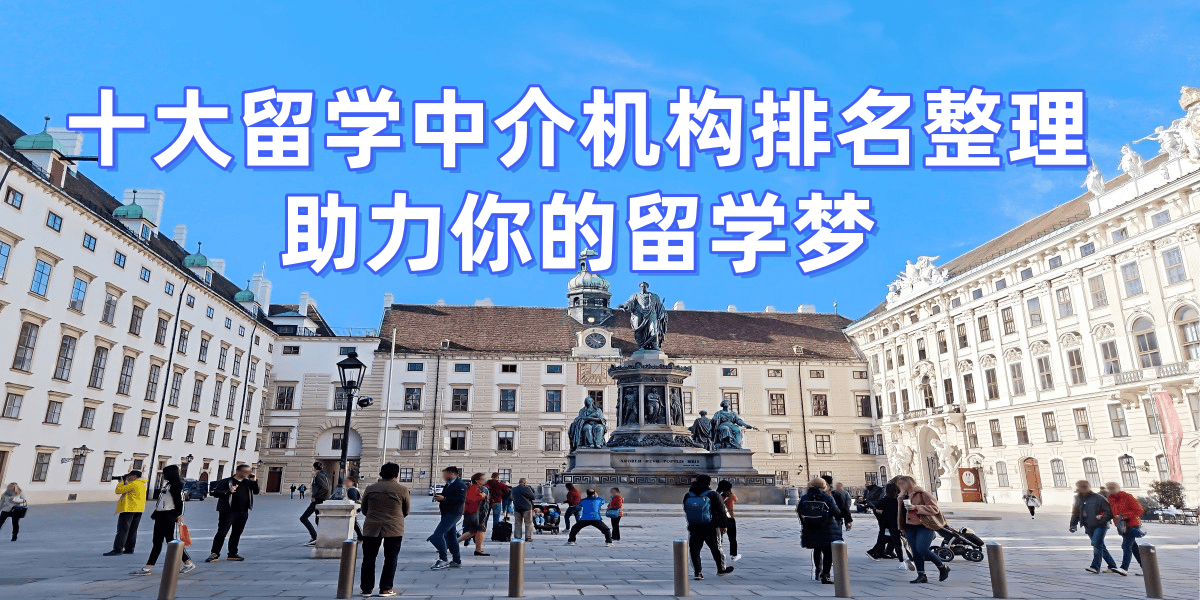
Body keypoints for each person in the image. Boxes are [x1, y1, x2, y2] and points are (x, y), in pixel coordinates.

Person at [132, 465, 197, 576]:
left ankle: (188, 563)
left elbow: (179, 502)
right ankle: (148, 567)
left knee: (168, 541)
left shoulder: (175, 486)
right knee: (160, 542)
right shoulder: (169, 484)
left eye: (165, 473)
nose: (163, 475)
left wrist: (179, 515)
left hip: (168, 515)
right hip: (161, 515)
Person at [359, 462, 411, 598]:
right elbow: (406, 510)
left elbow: (364, 509)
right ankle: (386, 588)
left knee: (368, 558)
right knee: (391, 558)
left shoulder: (370, 488)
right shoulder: (402, 489)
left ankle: (366, 589)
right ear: (396, 475)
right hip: (394, 527)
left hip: (372, 527)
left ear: (381, 473)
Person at [896, 475, 950, 584]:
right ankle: (921, 575)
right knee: (915, 551)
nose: (900, 485)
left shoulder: (922, 493)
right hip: (908, 527)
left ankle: (942, 566)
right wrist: (901, 528)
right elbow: (901, 513)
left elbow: (934, 509)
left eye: (902, 483)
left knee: (922, 549)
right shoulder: (902, 496)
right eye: (899, 484)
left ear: (909, 483)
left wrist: (916, 508)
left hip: (924, 526)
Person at [683, 474, 733, 580]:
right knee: (716, 548)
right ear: (709, 483)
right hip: (711, 526)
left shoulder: (688, 495)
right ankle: (721, 569)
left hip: (694, 526)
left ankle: (698, 572)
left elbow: (686, 509)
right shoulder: (713, 494)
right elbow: (721, 512)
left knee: (694, 550)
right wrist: (723, 525)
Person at [206, 464, 259, 563]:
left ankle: (232, 553)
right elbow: (216, 493)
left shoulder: (248, 482)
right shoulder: (227, 481)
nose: (248, 473)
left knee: (236, 533)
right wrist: (228, 491)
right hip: (228, 511)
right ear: (238, 471)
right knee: (222, 532)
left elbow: (256, 491)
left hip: (243, 511)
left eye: (249, 472)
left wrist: (254, 481)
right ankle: (215, 553)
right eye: (246, 471)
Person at [798, 478, 841, 585]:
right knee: (828, 552)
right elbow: (836, 512)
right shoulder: (827, 498)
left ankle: (818, 570)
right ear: (824, 486)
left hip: (811, 528)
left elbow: (800, 511)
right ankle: (825, 575)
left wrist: (805, 523)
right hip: (826, 528)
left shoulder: (804, 498)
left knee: (817, 549)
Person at [1070, 480, 1117, 574]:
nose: (1082, 488)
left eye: (1084, 486)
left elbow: (1109, 512)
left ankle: (1095, 567)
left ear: (1088, 487)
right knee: (1100, 546)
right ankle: (1112, 566)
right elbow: (1075, 512)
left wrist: (1102, 519)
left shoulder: (1099, 498)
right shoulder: (1078, 498)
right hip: (1088, 525)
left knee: (1096, 543)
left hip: (1101, 525)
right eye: (1080, 486)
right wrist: (1073, 524)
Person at [428, 466, 467, 570]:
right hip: (447, 513)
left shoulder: (460, 484)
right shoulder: (449, 484)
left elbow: (460, 500)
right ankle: (456, 561)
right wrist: (441, 498)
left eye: (446, 474)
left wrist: (444, 499)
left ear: (453, 473)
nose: (444, 476)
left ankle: (443, 559)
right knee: (451, 537)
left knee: (438, 535)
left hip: (453, 513)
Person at [1104, 481, 1143, 575]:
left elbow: (1139, 510)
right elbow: (1112, 512)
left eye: (1109, 489)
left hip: (1132, 524)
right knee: (1134, 547)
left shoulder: (1127, 497)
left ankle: (1124, 568)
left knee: (1126, 546)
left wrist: (1124, 515)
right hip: (1122, 526)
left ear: (1114, 489)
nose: (1107, 491)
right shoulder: (1111, 498)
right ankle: (1146, 568)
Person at [104, 470, 147, 556]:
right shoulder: (143, 483)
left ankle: (117, 550)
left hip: (128, 509)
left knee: (122, 530)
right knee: (133, 530)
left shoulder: (134, 484)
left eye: (129, 476)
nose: (128, 478)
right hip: (139, 509)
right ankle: (129, 549)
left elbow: (118, 490)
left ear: (134, 476)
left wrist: (121, 482)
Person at [868, 481, 908, 569]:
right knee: (900, 542)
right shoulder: (899, 499)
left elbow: (877, 509)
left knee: (894, 541)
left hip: (888, 523)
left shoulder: (885, 499)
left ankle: (901, 561)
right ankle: (905, 559)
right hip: (898, 522)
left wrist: (884, 513)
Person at [456, 473, 490, 556]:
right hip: (473, 512)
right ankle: (453, 543)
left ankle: (478, 549)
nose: (485, 480)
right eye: (482, 479)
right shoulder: (473, 488)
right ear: (477, 480)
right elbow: (470, 499)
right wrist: (482, 496)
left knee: (478, 530)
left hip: (477, 513)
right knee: (476, 530)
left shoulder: (479, 488)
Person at [301, 462, 330, 546]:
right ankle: (322, 537)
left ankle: (315, 537)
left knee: (303, 518)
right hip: (320, 500)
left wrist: (315, 496)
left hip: (318, 500)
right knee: (318, 520)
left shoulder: (319, 476)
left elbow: (325, 488)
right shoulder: (323, 475)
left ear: (315, 467)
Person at [716, 481, 738, 560]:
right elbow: (736, 499)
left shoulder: (716, 495)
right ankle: (733, 554)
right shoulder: (731, 495)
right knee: (732, 538)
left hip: (719, 518)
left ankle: (719, 553)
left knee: (719, 538)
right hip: (730, 518)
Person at [511, 478, 537, 542]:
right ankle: (528, 536)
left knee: (517, 523)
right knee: (528, 523)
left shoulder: (514, 489)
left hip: (517, 508)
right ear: (525, 483)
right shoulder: (526, 488)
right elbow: (533, 497)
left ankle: (517, 536)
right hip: (526, 508)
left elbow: (511, 497)